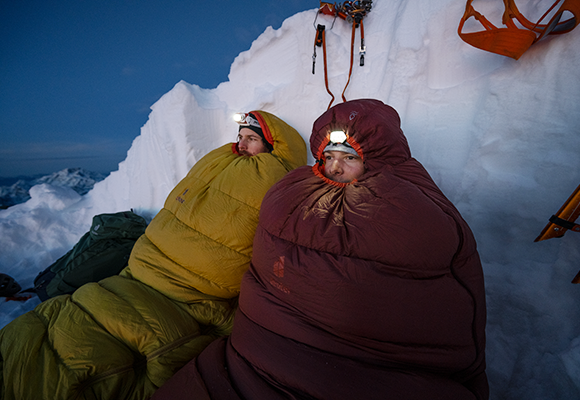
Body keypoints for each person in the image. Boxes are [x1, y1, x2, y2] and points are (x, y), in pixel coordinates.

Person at [151, 99, 489, 400]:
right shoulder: (296, 192)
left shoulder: (413, 210)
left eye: (349, 158)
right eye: (328, 156)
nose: (334, 168)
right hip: (256, 349)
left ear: (377, 159)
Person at [0, 110, 307, 400]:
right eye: (239, 136)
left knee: (72, 366)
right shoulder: (219, 165)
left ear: (273, 145)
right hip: (139, 274)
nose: (240, 144)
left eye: (251, 139)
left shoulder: (274, 182)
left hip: (187, 294)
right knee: (32, 335)